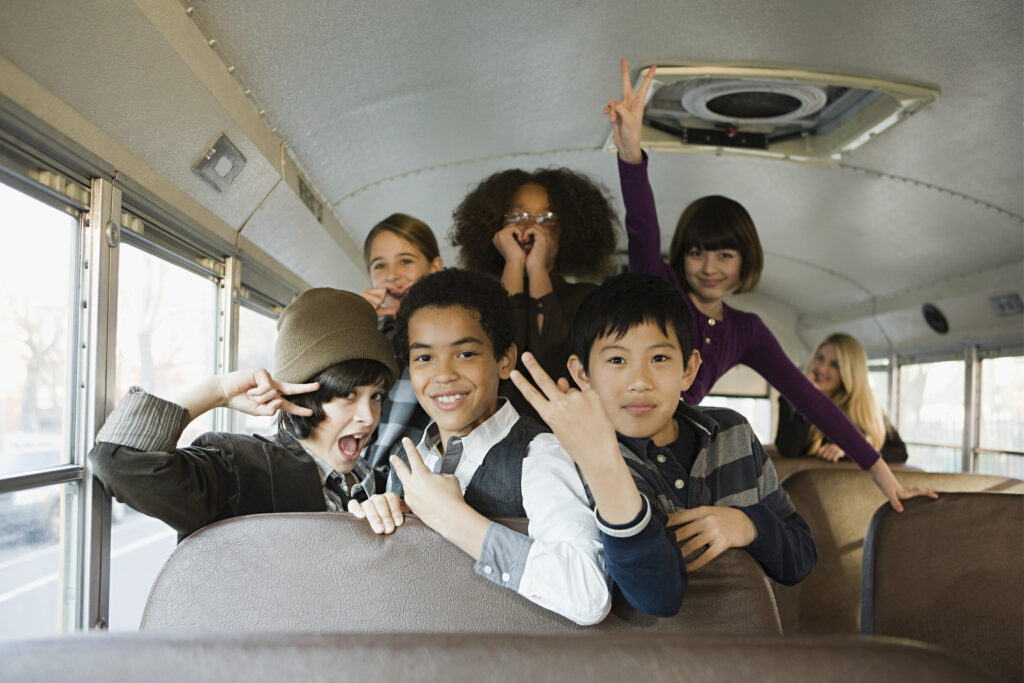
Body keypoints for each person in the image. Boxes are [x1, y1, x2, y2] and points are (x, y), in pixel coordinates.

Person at [605, 58, 933, 511]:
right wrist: (631, 150)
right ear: (681, 256)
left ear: (745, 262)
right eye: (697, 252)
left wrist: (882, 475)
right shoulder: (657, 289)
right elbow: (642, 228)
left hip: (676, 450)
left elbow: (811, 402)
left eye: (725, 254)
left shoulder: (747, 331)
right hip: (618, 430)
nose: (709, 266)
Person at [512, 273, 816, 616]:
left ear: (689, 370)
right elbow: (657, 596)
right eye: (616, 360)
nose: (639, 382)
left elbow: (801, 559)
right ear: (582, 374)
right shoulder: (576, 460)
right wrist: (604, 465)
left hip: (750, 649)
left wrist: (749, 525)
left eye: (659, 359)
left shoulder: (734, 432)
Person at [350, 268, 611, 626]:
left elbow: (588, 595)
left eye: (465, 354)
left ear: (504, 360)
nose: (443, 374)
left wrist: (452, 517)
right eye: (424, 358)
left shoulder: (540, 454)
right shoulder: (407, 462)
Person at [89, 288, 398, 540]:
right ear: (303, 394)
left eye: (376, 397)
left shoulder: (379, 482)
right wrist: (218, 391)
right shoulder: (241, 470)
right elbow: (119, 462)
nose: (369, 417)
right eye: (347, 395)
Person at [449, 167, 619, 412]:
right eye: (517, 216)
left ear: (566, 231)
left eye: (546, 219)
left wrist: (537, 267)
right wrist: (514, 263)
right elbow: (500, 355)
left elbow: (550, 357)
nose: (529, 227)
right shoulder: (471, 300)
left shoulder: (588, 297)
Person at [360, 213, 443, 471]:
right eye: (379, 266)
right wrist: (357, 323)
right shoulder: (369, 332)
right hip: (368, 472)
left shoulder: (452, 330)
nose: (392, 276)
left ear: (434, 267)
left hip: (425, 472)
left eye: (405, 261)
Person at [775, 333, 908, 463]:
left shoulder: (865, 409)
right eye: (820, 358)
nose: (821, 369)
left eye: (835, 365)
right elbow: (789, 449)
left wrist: (849, 452)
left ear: (850, 373)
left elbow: (899, 452)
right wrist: (807, 396)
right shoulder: (790, 398)